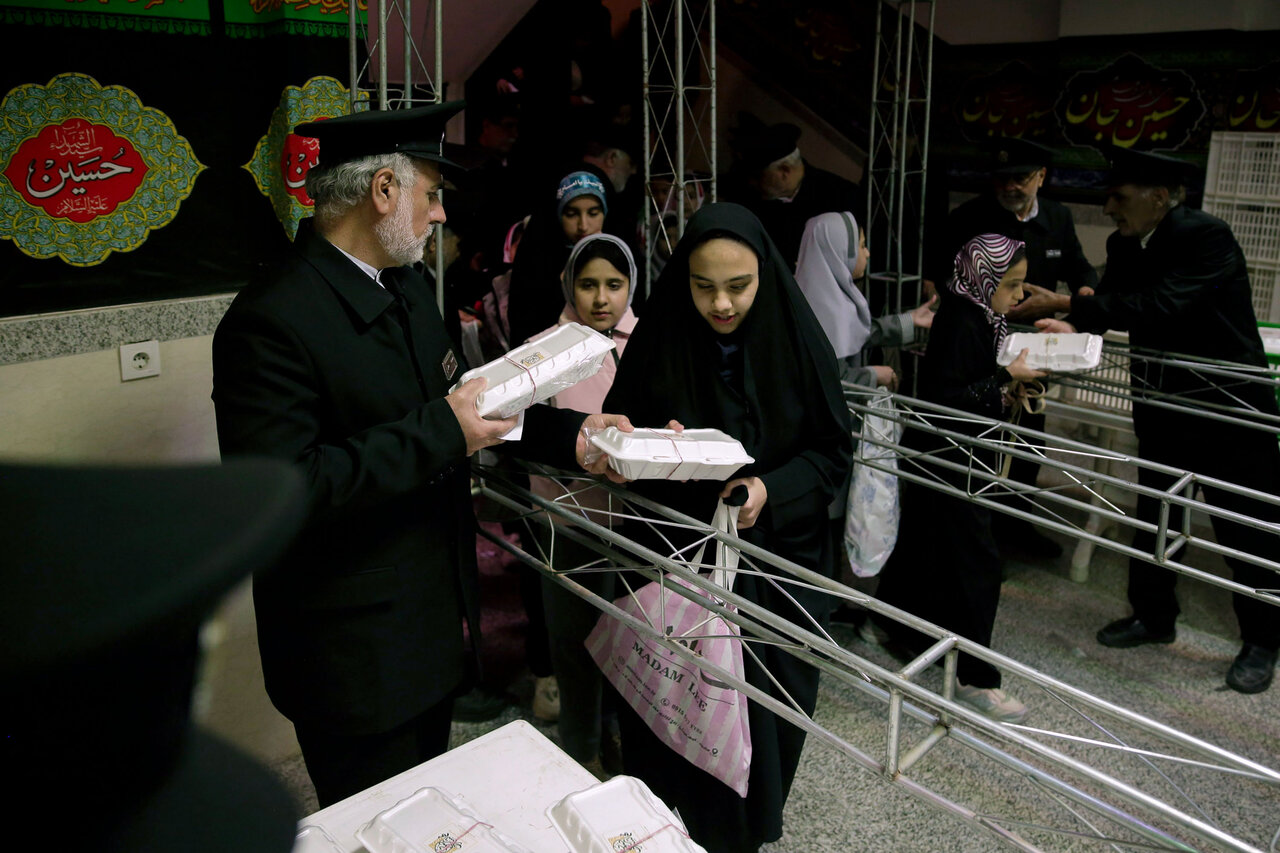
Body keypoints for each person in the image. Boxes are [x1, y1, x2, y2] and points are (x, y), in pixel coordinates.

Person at [211, 101, 634, 806]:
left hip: (431, 623)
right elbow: (281, 491)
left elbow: (471, 402)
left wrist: (576, 436)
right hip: (351, 650)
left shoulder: (405, 286)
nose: (440, 215)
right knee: (375, 821)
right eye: (432, 194)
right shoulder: (271, 322)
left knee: (429, 810)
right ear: (383, 191)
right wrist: (443, 430)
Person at [602, 203, 853, 853]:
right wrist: (650, 448)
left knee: (756, 738)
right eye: (703, 285)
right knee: (669, 727)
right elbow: (618, 432)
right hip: (674, 564)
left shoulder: (796, 341)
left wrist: (770, 488)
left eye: (739, 286)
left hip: (774, 577)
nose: (721, 303)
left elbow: (831, 454)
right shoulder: (662, 339)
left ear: (765, 274)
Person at [1034, 147, 1280, 694]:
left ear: (1160, 198)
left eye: (1120, 198)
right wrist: (1074, 323)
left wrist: (1074, 306)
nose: (1109, 208)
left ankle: (1263, 639)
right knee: (1159, 515)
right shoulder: (1123, 243)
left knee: (1245, 527)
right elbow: (1113, 301)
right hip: (1164, 405)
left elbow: (1161, 305)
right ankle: (1153, 615)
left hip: (1229, 410)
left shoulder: (1206, 236)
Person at [875, 234, 1046, 722]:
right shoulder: (962, 321)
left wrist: (1005, 384)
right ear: (985, 278)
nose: (1018, 295)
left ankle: (893, 625)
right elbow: (947, 400)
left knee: (925, 548)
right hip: (949, 461)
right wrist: (1005, 379)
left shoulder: (978, 314)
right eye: (1011, 285)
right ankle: (976, 680)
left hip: (947, 458)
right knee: (978, 563)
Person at [926, 138, 1099, 559]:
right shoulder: (970, 218)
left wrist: (1081, 303)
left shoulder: (1057, 217)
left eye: (1020, 178)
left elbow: (1080, 270)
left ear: (1041, 177)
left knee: (1026, 442)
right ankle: (979, 538)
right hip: (978, 346)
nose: (1010, 187)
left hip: (1032, 343)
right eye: (1001, 178)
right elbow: (941, 276)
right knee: (982, 442)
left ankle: (1016, 527)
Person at [528, 232, 639, 777]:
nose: (601, 298)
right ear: (569, 285)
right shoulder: (544, 350)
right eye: (588, 284)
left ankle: (617, 739)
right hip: (568, 522)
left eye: (614, 285)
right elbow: (523, 430)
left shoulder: (647, 341)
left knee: (631, 638)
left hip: (635, 523)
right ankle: (581, 751)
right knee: (575, 642)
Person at [794, 211, 936, 392]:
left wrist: (911, 319)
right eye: (861, 245)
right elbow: (832, 381)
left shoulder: (810, 295)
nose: (867, 253)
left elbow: (859, 332)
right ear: (838, 251)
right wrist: (873, 375)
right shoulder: (827, 310)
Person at [728, 115, 861, 267]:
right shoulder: (747, 200)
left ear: (785, 171)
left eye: (758, 176)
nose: (752, 183)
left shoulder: (840, 196)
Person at [506, 170, 609, 348]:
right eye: (572, 214)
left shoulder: (617, 257)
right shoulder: (537, 263)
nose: (583, 226)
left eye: (593, 213)